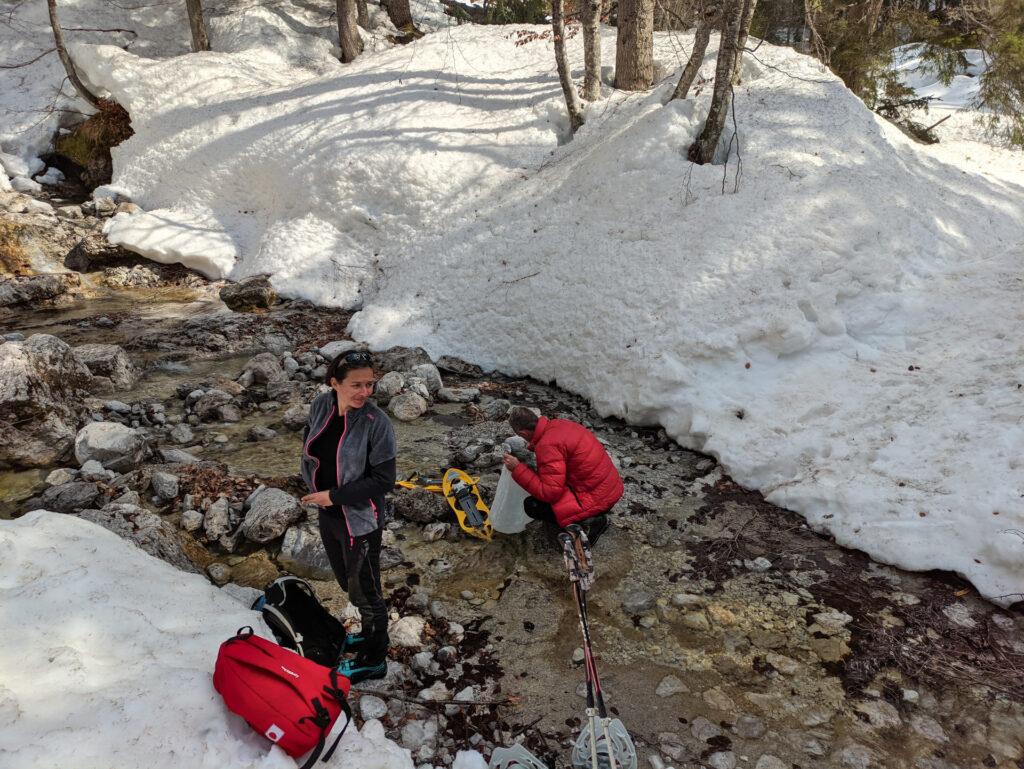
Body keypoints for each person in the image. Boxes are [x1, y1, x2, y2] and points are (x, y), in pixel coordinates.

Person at [299, 349, 397, 683]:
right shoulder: (321, 406)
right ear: (334, 383)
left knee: (368, 593)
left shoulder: (376, 423)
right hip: (329, 516)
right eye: (356, 385)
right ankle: (368, 633)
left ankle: (375, 657)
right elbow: (309, 444)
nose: (365, 393)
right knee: (347, 583)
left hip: (361, 521)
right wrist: (316, 488)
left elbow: (385, 481)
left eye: (370, 384)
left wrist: (334, 495)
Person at [502, 406, 623, 546]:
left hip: (598, 498)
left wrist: (517, 469)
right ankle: (591, 516)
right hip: (610, 488)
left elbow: (550, 494)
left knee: (532, 505)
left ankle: (592, 521)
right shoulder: (559, 425)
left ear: (522, 433)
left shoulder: (547, 445)